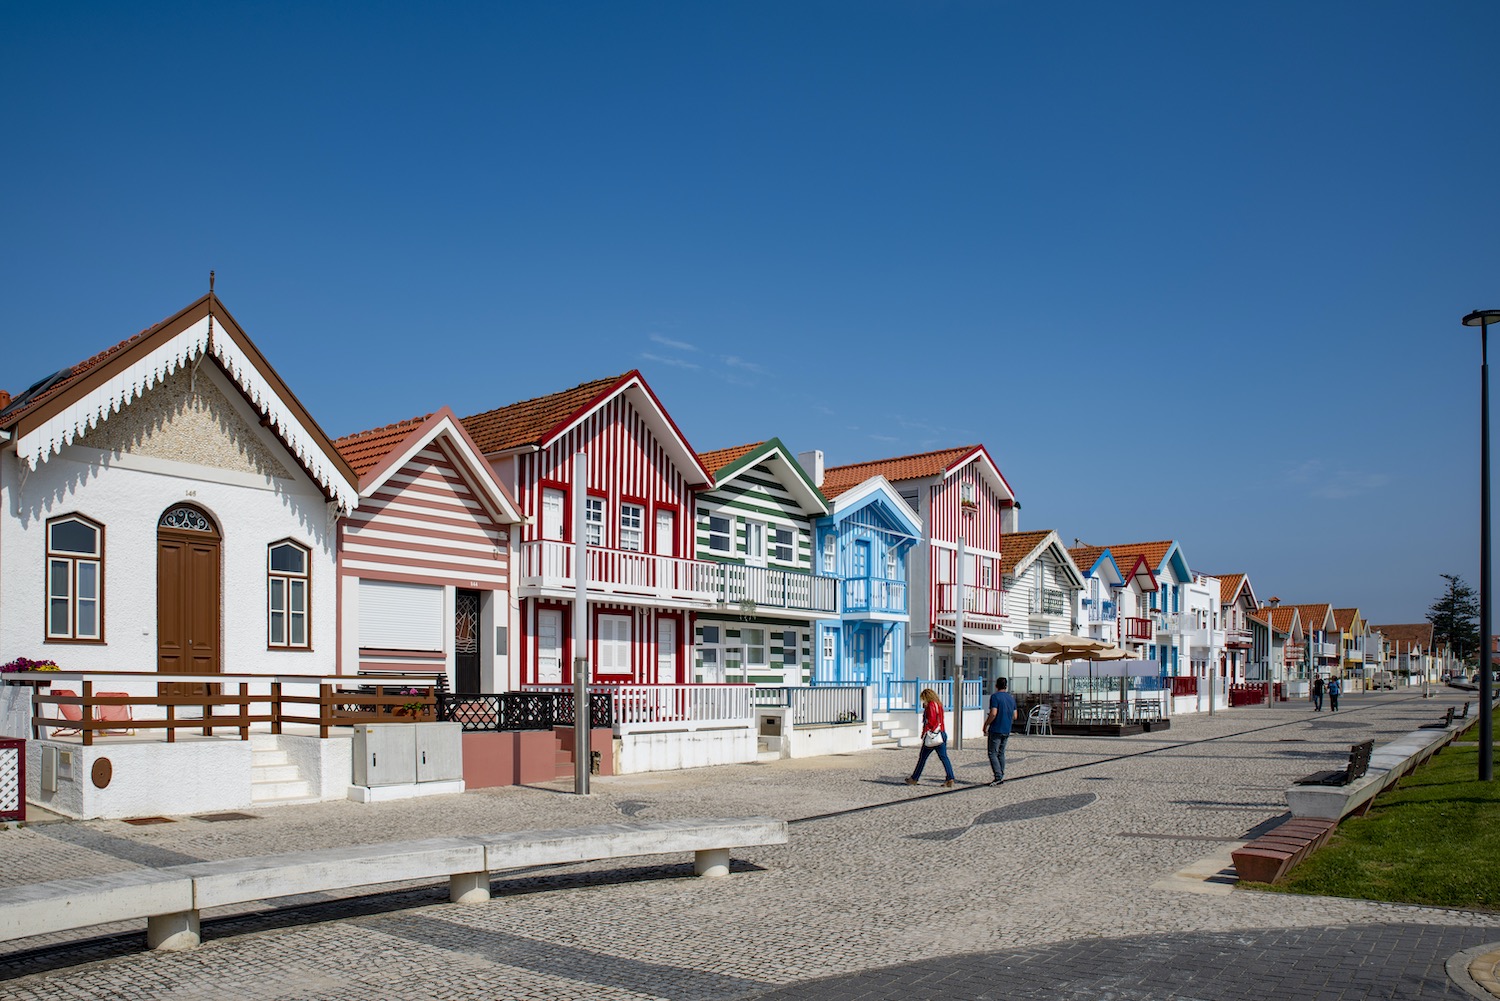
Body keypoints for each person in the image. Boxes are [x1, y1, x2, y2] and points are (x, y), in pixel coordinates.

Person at [906, 687, 955, 787]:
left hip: (933, 735)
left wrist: (925, 732)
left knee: (922, 757)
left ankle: (914, 778)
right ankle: (950, 778)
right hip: (941, 733)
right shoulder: (939, 705)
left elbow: (931, 721)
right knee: (944, 757)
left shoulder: (931, 705)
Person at [982, 677, 1018, 786]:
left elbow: (993, 713)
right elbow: (1015, 716)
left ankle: (998, 776)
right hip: (1007, 728)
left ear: (996, 685)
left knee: (992, 753)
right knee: (1001, 753)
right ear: (1006, 686)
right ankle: (1001, 774)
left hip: (996, 728)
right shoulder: (1011, 698)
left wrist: (986, 724)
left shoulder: (995, 697)